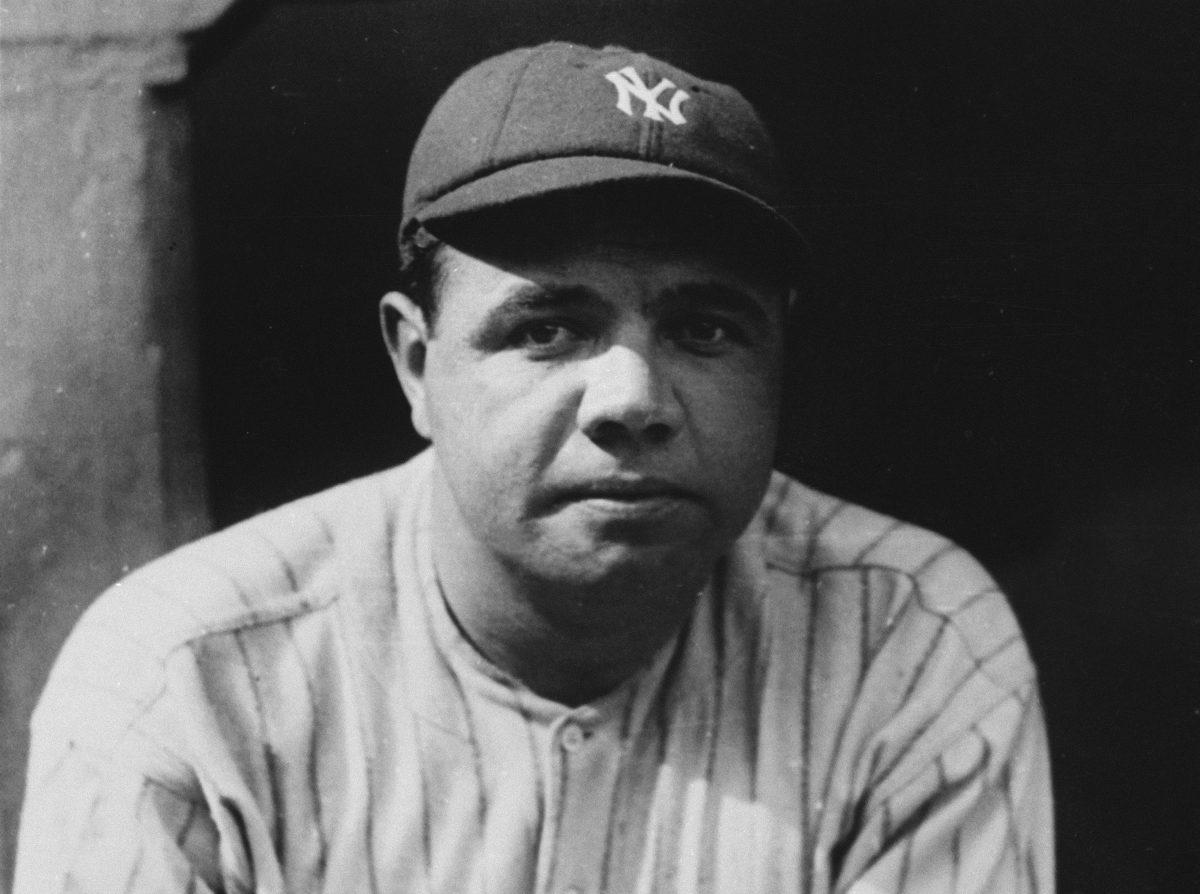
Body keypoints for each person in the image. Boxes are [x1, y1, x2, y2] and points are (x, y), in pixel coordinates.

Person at [14, 42, 1054, 893]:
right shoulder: (185, 679)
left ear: (781, 359)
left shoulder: (908, 640)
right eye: (548, 330)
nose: (634, 400)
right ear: (418, 365)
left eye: (705, 329)